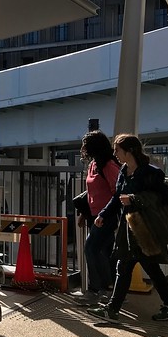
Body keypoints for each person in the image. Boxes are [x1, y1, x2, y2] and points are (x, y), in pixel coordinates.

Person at [87, 133, 168, 323]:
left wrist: (134, 199)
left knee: (141, 268)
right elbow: (117, 197)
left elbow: (160, 198)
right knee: (129, 267)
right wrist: (103, 214)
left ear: (129, 151)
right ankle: (116, 309)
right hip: (129, 228)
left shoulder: (151, 173)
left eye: (117, 150)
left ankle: (116, 309)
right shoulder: (124, 170)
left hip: (145, 229)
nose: (115, 153)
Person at [74, 130, 120, 305]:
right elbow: (91, 192)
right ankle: (112, 292)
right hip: (95, 215)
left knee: (91, 248)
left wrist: (105, 213)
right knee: (104, 252)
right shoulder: (94, 164)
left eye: (86, 145)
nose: (83, 149)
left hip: (106, 216)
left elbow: (118, 192)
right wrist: (84, 214)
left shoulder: (108, 165)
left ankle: (96, 290)